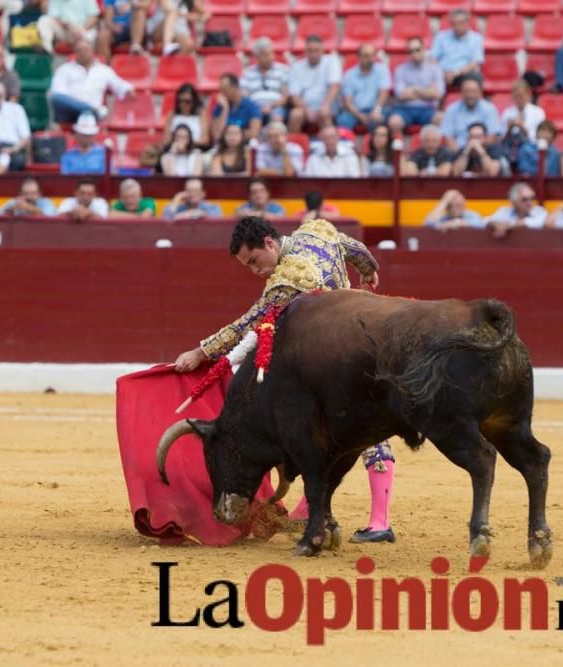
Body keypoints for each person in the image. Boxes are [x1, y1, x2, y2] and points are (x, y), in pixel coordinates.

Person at [171, 216, 395, 544]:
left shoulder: (289, 277)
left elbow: (250, 322)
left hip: (330, 360)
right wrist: (368, 270)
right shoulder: (315, 232)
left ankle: (378, 522)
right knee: (340, 432)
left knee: (342, 432)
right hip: (359, 339)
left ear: (269, 243)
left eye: (254, 261)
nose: (255, 271)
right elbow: (354, 247)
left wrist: (202, 352)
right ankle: (339, 514)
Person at [49, 40, 135, 123]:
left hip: (90, 116)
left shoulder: (104, 70)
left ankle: (90, 110)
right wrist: (81, 106)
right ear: (75, 53)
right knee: (56, 98)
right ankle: (91, 109)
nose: (83, 53)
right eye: (79, 50)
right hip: (69, 112)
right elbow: (58, 94)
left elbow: (119, 84)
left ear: (92, 51)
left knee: (86, 115)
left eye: (86, 49)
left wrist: (127, 89)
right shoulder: (64, 69)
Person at [388, 37, 445, 135]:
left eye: (417, 50)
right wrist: (427, 92)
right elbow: (401, 95)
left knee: (442, 119)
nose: (414, 54)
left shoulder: (435, 69)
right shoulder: (400, 70)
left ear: (423, 49)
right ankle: (398, 149)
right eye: (410, 51)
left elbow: (438, 94)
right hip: (404, 109)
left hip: (428, 109)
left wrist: (414, 89)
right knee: (394, 122)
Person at [288, 35, 342, 133]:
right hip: (305, 106)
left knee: (324, 113)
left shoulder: (332, 61)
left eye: (317, 50)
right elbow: (294, 95)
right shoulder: (297, 66)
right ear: (306, 51)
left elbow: (335, 86)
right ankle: (294, 145)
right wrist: (307, 110)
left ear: (322, 50)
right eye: (310, 50)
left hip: (327, 104)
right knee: (295, 115)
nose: (314, 54)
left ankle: (327, 146)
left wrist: (325, 106)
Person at [336, 44, 391, 130]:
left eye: (372, 55)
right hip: (355, 111)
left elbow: (383, 93)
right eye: (366, 56)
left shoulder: (382, 70)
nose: (370, 59)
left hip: (376, 109)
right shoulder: (349, 74)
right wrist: (359, 115)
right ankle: (347, 143)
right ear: (359, 57)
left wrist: (376, 110)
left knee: (378, 119)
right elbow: (348, 101)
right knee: (343, 120)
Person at [429, 9, 484, 88]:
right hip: (442, 73)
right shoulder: (440, 37)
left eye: (461, 23)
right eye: (454, 23)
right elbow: (432, 59)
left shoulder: (476, 38)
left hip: (462, 74)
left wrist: (455, 73)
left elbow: (475, 63)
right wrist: (441, 73)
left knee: (475, 78)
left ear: (467, 23)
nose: (457, 26)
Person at [439, 77, 501, 148]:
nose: (470, 95)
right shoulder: (451, 110)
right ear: (461, 92)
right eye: (467, 91)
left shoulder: (490, 109)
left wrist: (479, 152)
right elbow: (448, 137)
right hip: (459, 151)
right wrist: (461, 155)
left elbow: (492, 136)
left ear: (480, 92)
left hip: (483, 151)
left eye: (474, 91)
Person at [240, 38, 290, 123]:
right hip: (254, 108)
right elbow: (244, 96)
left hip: (276, 107)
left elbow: (285, 97)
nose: (269, 57)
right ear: (257, 57)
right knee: (252, 117)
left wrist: (270, 106)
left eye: (270, 53)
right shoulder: (247, 73)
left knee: (277, 117)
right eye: (265, 54)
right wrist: (256, 108)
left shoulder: (283, 70)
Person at [211, 74, 263, 143]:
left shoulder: (251, 106)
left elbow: (254, 133)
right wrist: (225, 109)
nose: (222, 93)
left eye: (225, 90)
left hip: (244, 146)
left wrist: (229, 135)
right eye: (221, 90)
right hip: (224, 147)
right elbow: (217, 135)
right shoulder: (220, 107)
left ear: (235, 87)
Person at [484, 182, 548, 238]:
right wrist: (495, 224)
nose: (530, 202)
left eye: (532, 198)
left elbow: (536, 223)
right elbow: (485, 221)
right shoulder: (504, 211)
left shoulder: (539, 211)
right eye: (525, 199)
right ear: (514, 202)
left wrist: (508, 225)